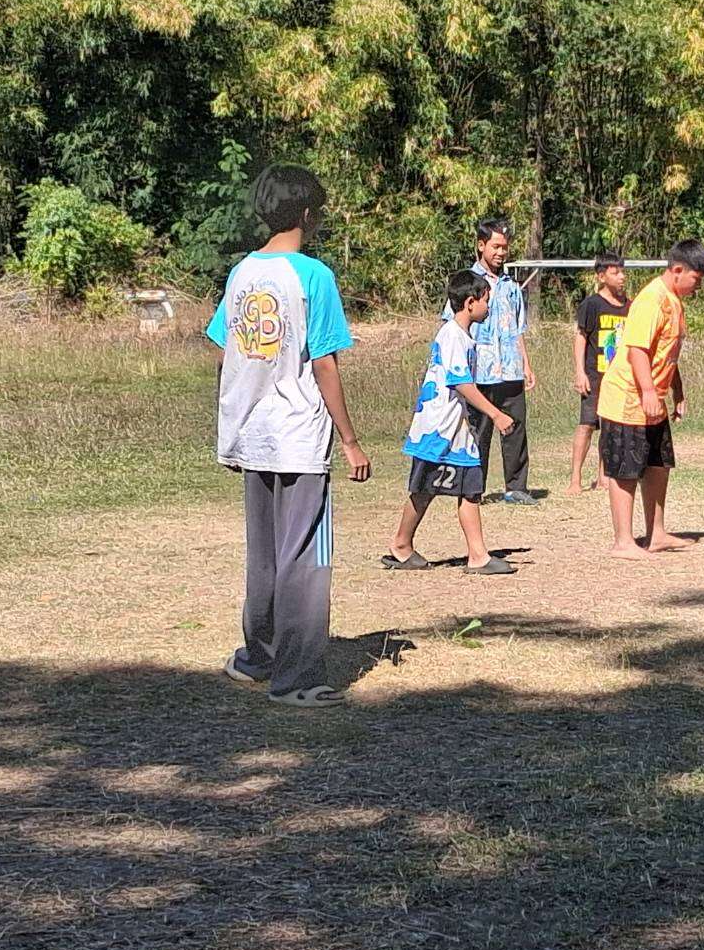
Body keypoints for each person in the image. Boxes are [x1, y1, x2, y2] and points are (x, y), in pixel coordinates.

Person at [206, 165, 371, 708]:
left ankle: (257, 657)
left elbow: (223, 339)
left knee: (266, 555)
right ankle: (296, 679)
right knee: (305, 556)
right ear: (307, 213)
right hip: (299, 435)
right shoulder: (312, 276)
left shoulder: (242, 273)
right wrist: (349, 439)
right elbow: (324, 363)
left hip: (252, 433)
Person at [387, 270, 518, 575]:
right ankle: (401, 544)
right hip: (440, 429)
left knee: (471, 487)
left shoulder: (464, 337)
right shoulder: (452, 336)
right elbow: (461, 383)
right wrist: (496, 414)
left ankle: (477, 555)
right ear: (470, 302)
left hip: (459, 431)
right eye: (486, 301)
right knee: (425, 489)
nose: (489, 307)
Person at [597, 239, 704, 559]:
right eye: (696, 279)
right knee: (625, 468)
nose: (698, 286)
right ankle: (623, 542)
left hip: (654, 400)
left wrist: (677, 391)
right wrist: (648, 390)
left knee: (658, 464)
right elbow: (637, 350)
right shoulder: (651, 300)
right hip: (627, 398)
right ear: (677, 270)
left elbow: (667, 352)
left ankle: (657, 533)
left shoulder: (674, 300)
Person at [448, 219, 537, 504]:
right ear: (481, 245)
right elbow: (454, 325)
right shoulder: (469, 283)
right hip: (480, 372)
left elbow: (517, 329)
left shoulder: (511, 286)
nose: (501, 252)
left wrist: (526, 364)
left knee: (516, 427)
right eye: (496, 246)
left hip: (510, 369)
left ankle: (517, 487)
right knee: (479, 430)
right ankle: (475, 488)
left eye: (505, 247)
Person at [566, 251, 630, 495]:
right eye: (615, 272)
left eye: (623, 271)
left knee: (610, 427)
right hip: (595, 376)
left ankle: (603, 476)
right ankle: (575, 479)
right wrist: (580, 372)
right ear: (602, 276)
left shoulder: (628, 306)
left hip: (618, 379)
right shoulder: (591, 305)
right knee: (587, 425)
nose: (621, 277)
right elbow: (581, 337)